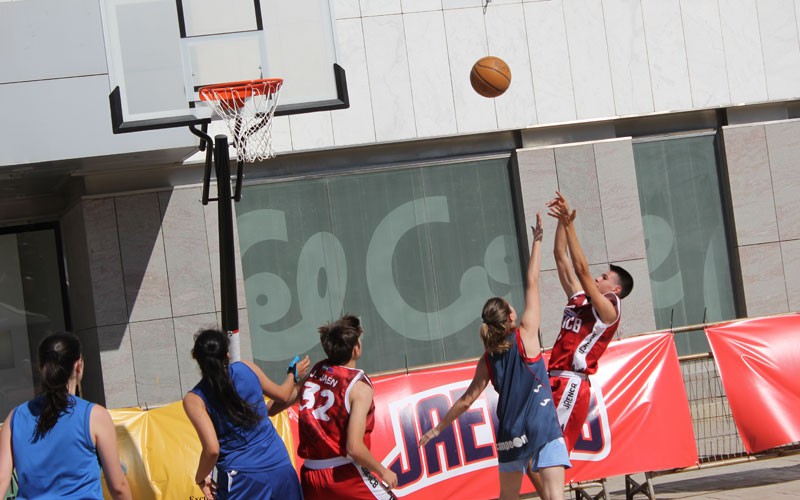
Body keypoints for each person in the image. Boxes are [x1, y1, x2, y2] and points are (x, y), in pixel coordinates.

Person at [418, 213, 569, 500]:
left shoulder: (488, 358)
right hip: (540, 425)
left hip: (509, 434)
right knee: (554, 497)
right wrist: (537, 242)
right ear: (511, 317)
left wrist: (438, 428)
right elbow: (532, 281)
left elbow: (466, 400)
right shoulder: (525, 335)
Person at [544, 191, 634, 450]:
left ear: (615, 289)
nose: (598, 278)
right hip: (553, 378)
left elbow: (582, 270)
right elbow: (560, 257)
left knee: (551, 454)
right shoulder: (580, 298)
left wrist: (572, 226)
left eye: (604, 277)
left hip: (571, 382)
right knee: (535, 455)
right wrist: (562, 220)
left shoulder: (610, 310)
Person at [0, 332, 131, 499]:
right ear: (79, 365)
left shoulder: (15, 418)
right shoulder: (95, 416)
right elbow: (118, 487)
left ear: (41, 368)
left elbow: (1, 480)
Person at [183, 328, 310, 500]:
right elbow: (283, 395)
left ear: (196, 358)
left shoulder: (195, 399)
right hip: (278, 465)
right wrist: (292, 376)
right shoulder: (246, 368)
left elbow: (212, 449)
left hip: (241, 477)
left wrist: (200, 478)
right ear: (227, 355)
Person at [296, 314, 398, 500]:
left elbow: (286, 397)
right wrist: (383, 471)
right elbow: (354, 448)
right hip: (341, 472)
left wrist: (291, 378)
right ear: (356, 349)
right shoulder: (358, 387)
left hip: (310, 474)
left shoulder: (316, 371)